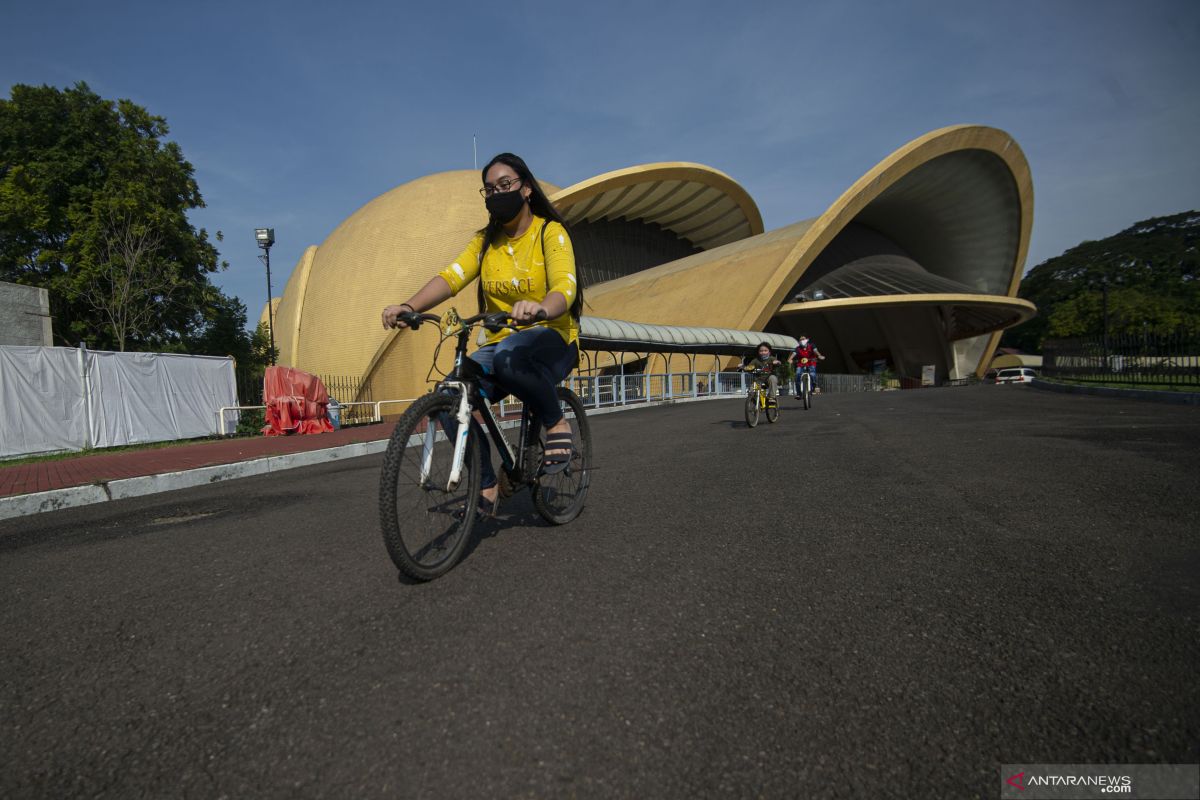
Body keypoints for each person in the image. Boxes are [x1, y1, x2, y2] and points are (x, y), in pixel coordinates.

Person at [381, 153, 581, 517]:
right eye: (489, 190)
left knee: (509, 357)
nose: (497, 194)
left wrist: (539, 308)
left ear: (526, 189)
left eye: (505, 185)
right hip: (500, 343)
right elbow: (451, 276)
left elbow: (565, 288)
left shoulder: (549, 233)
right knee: (449, 396)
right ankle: (487, 484)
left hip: (551, 336)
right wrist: (408, 305)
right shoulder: (485, 243)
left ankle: (555, 421)